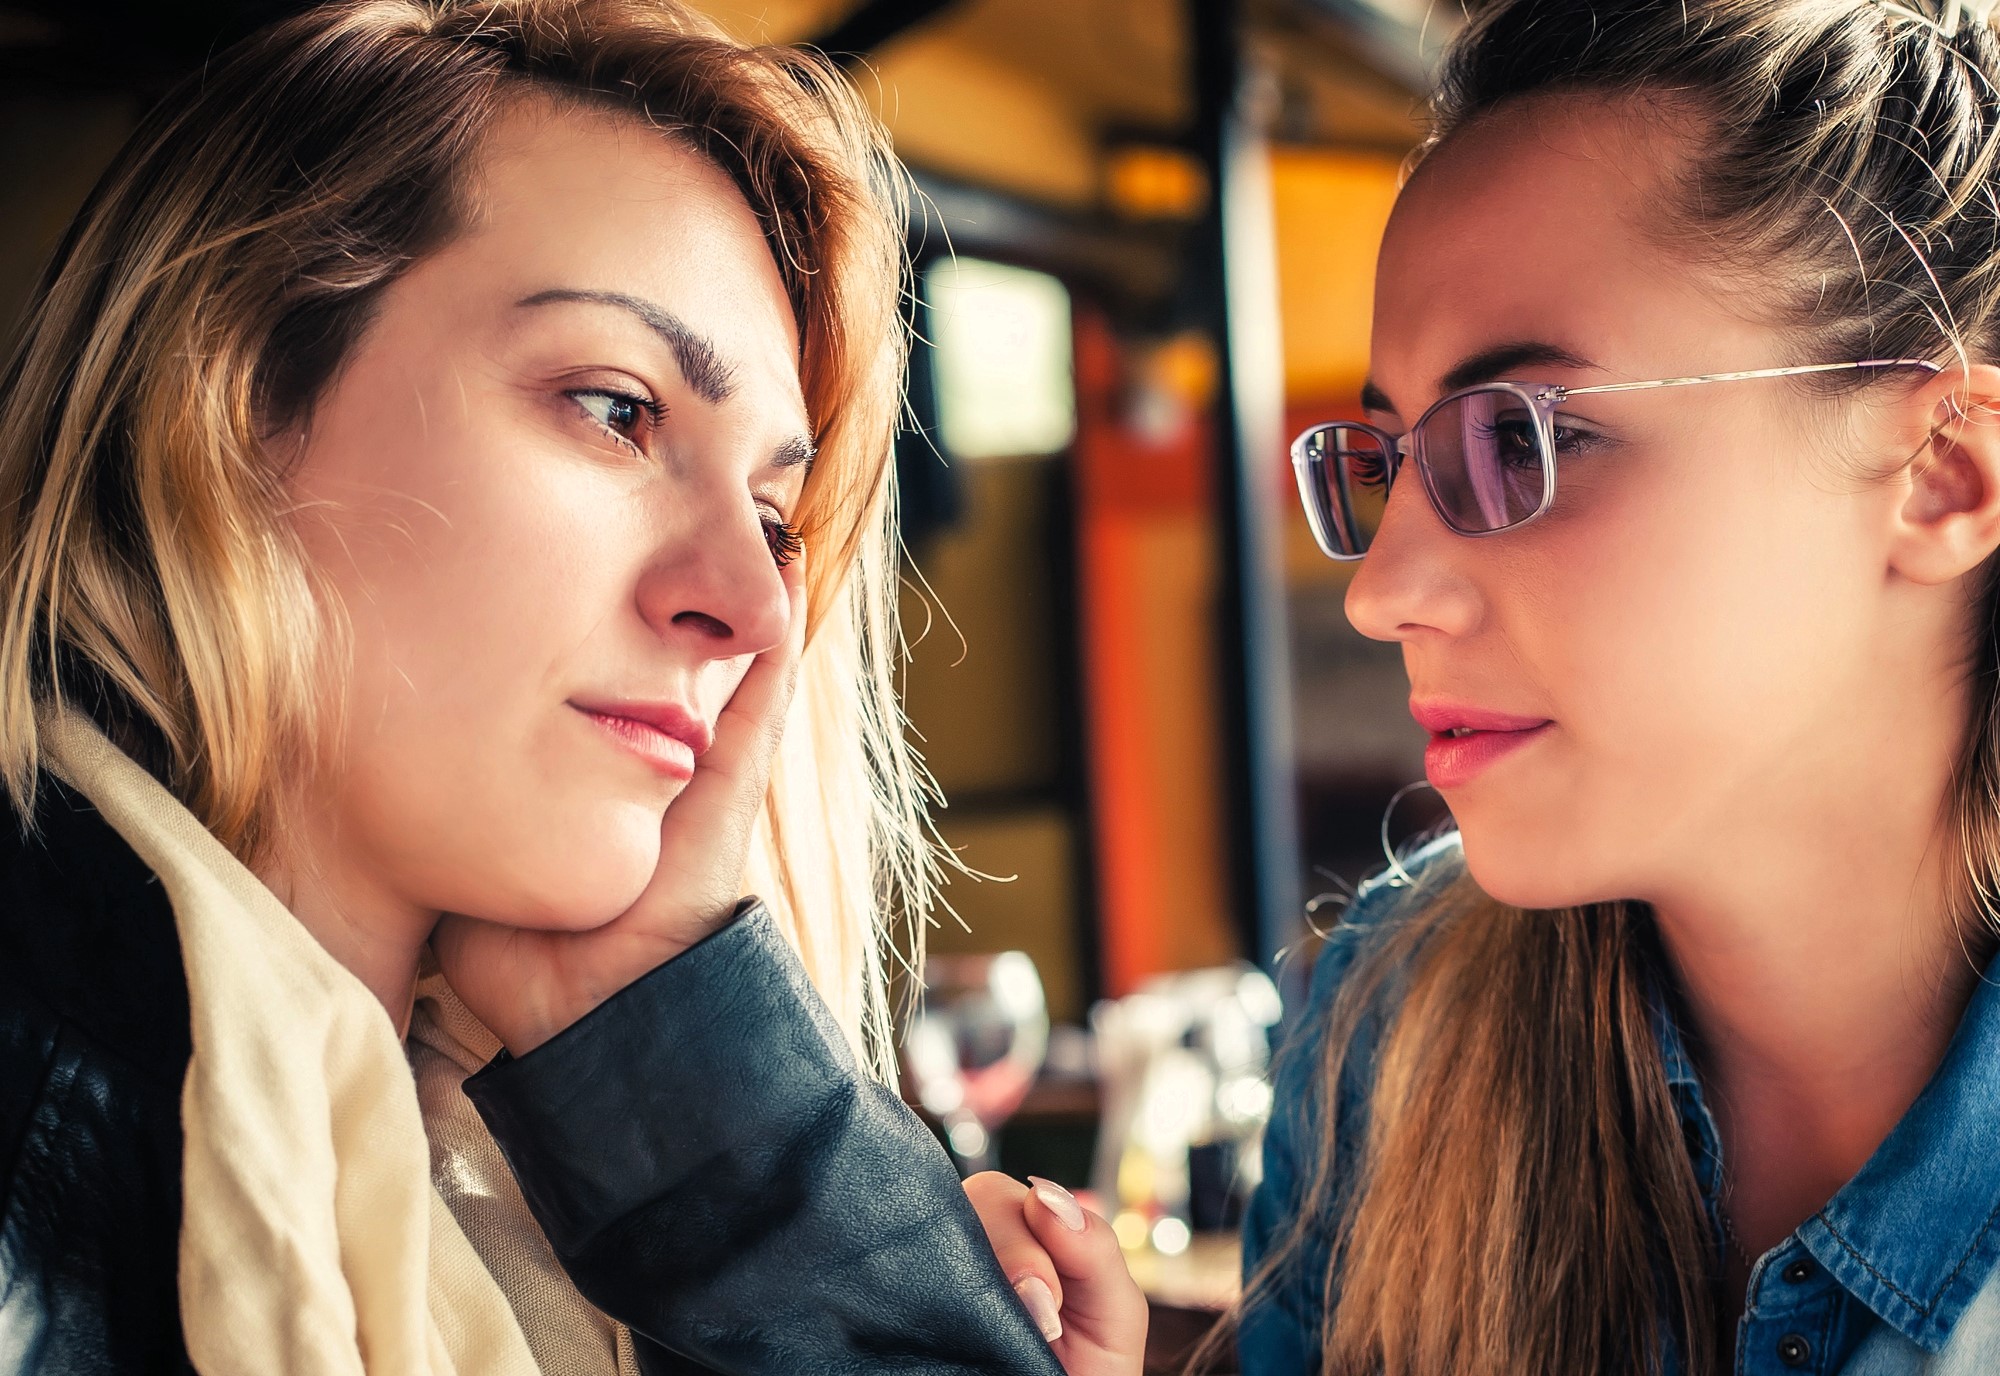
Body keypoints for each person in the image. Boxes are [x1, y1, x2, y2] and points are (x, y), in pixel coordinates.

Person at [0, 0, 1142, 1371]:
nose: (752, 604)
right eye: (618, 408)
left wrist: (714, 1109)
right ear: (229, 398)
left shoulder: (545, 1219)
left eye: (780, 518)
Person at [1222, 0, 2000, 1372]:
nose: (1379, 588)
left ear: (1946, 471)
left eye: (1522, 442)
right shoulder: (1392, 1027)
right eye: (1390, 456)